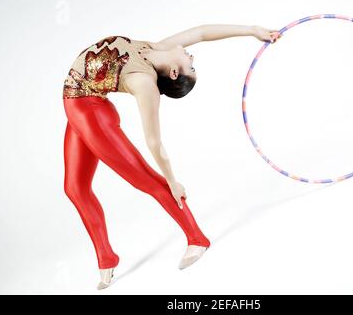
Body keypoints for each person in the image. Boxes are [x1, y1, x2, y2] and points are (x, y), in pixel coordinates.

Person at [62, 24, 281, 290]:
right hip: (79, 107)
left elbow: (154, 142)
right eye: (194, 64)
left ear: (174, 72)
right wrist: (252, 31)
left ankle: (197, 237)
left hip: (90, 113)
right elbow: (201, 33)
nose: (192, 58)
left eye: (192, 66)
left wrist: (173, 180)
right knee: (75, 188)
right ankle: (107, 256)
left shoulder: (145, 83)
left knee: (149, 181)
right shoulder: (153, 49)